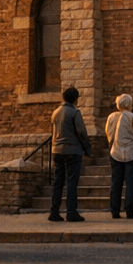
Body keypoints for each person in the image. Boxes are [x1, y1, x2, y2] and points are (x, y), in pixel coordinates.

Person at [49, 85, 91, 222]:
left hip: (57, 150)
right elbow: (81, 132)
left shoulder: (55, 112)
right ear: (76, 99)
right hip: (72, 150)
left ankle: (54, 211)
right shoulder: (74, 113)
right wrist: (87, 147)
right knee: (72, 182)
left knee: (58, 182)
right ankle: (71, 211)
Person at [104, 93, 133, 219]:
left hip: (116, 152)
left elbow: (108, 133)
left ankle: (115, 210)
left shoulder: (111, 117)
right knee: (131, 182)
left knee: (116, 182)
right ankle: (129, 210)